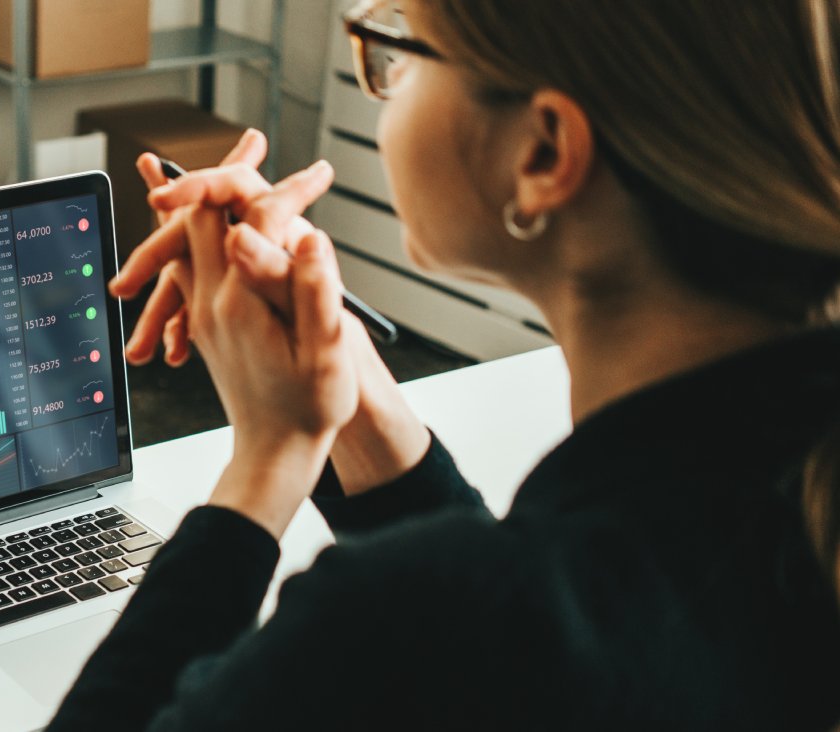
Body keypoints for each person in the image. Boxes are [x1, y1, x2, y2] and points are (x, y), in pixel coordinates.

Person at [47, 1, 840, 729]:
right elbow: (537, 624)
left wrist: (270, 457)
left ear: (543, 151)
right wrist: (355, 398)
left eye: (403, 51)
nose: (385, 84)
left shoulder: (399, 624)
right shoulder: (776, 504)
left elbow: (469, 622)